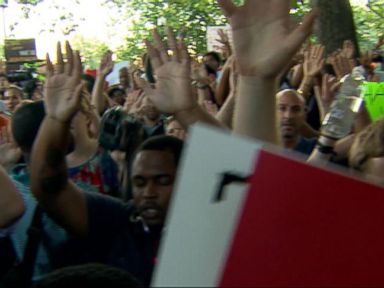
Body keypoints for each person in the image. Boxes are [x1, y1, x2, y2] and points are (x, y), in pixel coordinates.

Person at [276, 89, 316, 155]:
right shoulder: (259, 145)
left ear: (305, 115)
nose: (288, 116)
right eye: (282, 108)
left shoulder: (315, 149)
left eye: (296, 109)